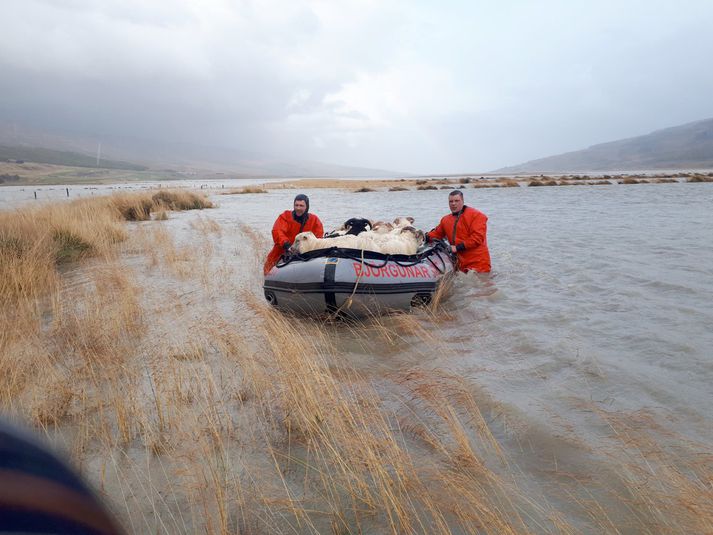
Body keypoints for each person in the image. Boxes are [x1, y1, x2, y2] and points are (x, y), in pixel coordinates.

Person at [426, 190, 491, 273]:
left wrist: (457, 248)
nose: (453, 204)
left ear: (463, 201)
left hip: (479, 264)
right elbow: (436, 234)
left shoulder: (477, 216)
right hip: (459, 264)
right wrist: (424, 237)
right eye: (451, 201)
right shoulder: (445, 220)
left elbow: (477, 238)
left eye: (456, 201)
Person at [263, 193, 324, 274]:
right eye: (296, 205)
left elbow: (318, 238)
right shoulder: (285, 216)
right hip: (282, 250)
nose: (298, 208)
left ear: (307, 207)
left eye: (301, 206)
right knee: (268, 271)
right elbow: (277, 231)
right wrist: (286, 244)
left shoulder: (314, 220)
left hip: (304, 254)